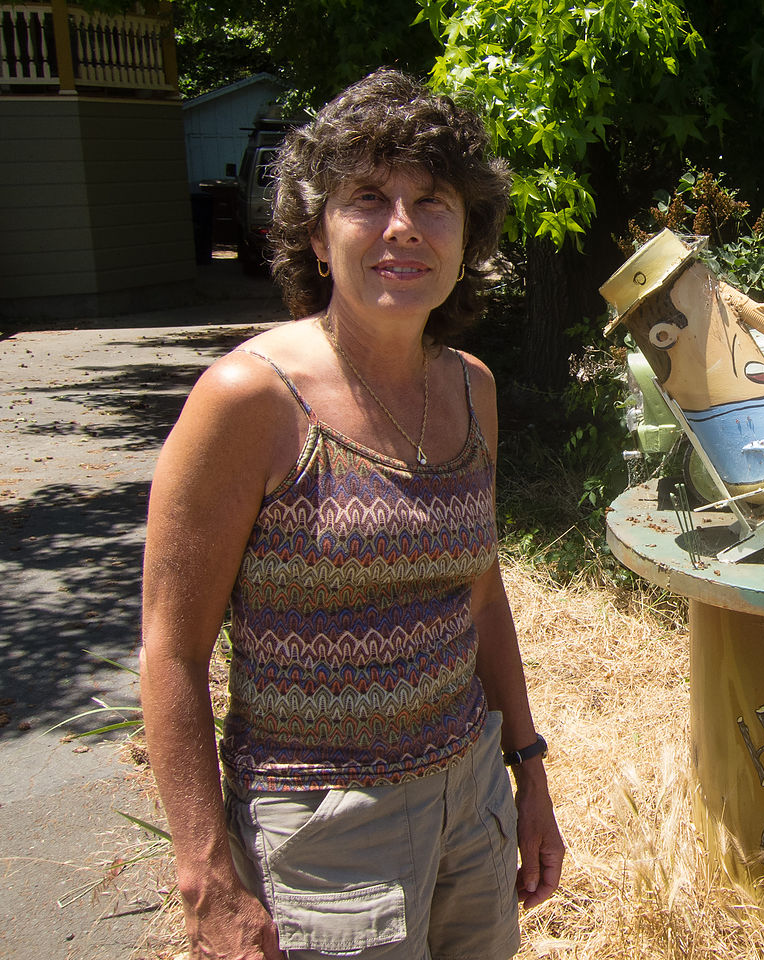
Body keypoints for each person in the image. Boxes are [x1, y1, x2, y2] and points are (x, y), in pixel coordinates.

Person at [139, 68, 564, 959]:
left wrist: (528, 773)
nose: (403, 224)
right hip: (325, 837)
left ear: (464, 235)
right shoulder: (251, 399)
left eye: (433, 201)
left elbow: (483, 603)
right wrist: (206, 877)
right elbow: (172, 652)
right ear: (318, 236)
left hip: (472, 802)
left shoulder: (471, 389)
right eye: (368, 197)